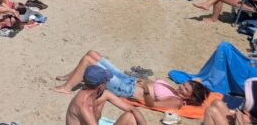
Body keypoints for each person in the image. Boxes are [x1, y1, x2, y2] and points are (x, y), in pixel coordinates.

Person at [55, 50, 210, 110]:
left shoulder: (176, 101)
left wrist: (146, 91)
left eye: (186, 89)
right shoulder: (176, 90)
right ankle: (72, 76)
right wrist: (196, 85)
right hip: (128, 79)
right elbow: (197, 81)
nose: (182, 86)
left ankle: (67, 87)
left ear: (189, 97)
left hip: (126, 89)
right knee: (92, 53)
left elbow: (153, 105)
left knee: (89, 62)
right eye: (185, 84)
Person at [63, 65, 147, 125]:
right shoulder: (83, 106)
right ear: (101, 85)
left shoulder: (102, 94)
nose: (107, 83)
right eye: (106, 81)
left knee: (130, 116)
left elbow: (132, 109)